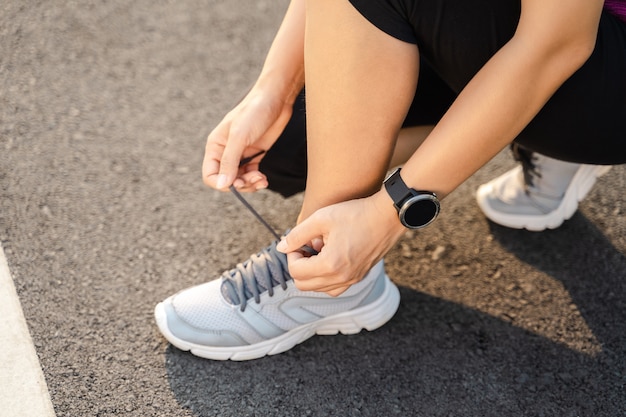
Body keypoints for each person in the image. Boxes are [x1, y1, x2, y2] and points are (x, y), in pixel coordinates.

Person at [154, 0, 626, 360]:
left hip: (591, 58)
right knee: (286, 149)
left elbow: (556, 43)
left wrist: (387, 214)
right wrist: (273, 90)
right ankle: (522, 130)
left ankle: (327, 279)